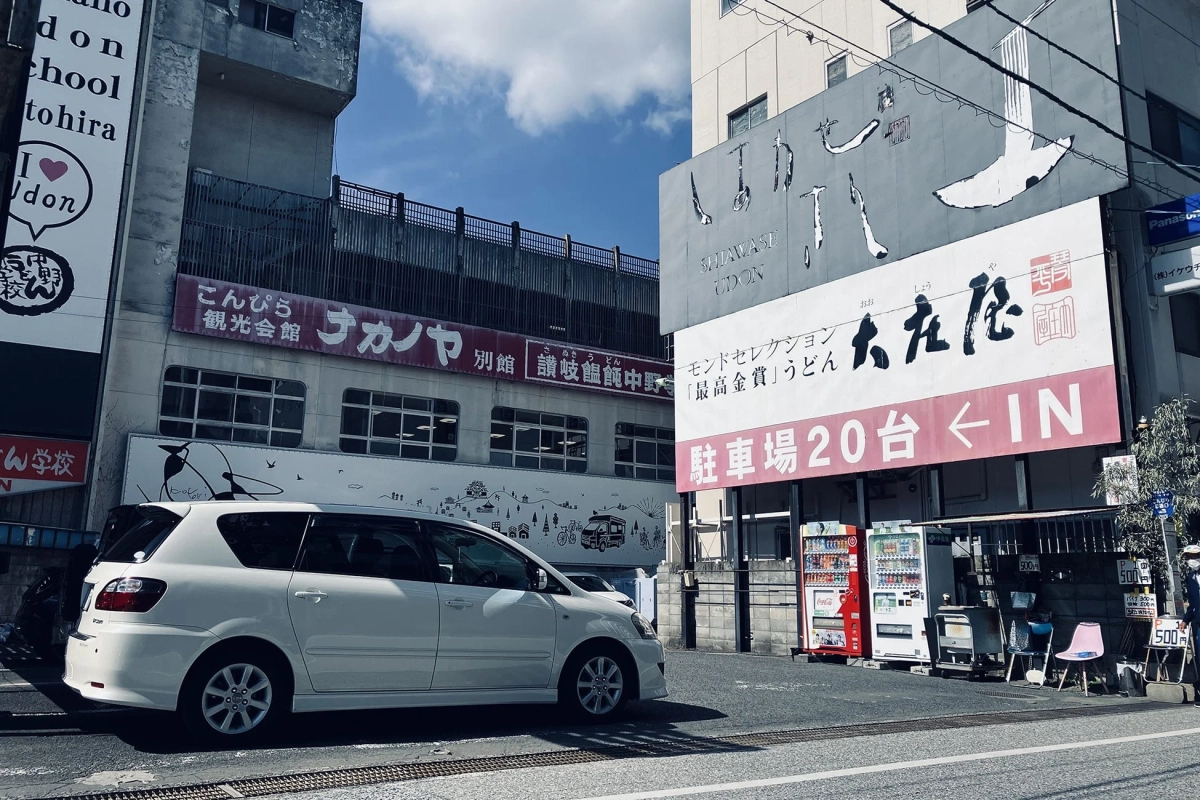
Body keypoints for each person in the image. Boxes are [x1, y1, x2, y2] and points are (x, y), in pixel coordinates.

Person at [1181, 544, 1200, 706]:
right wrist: (1185, 620)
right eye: (1188, 557)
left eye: (1194, 556)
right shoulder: (1192, 578)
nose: (1191, 560)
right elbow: (1193, 604)